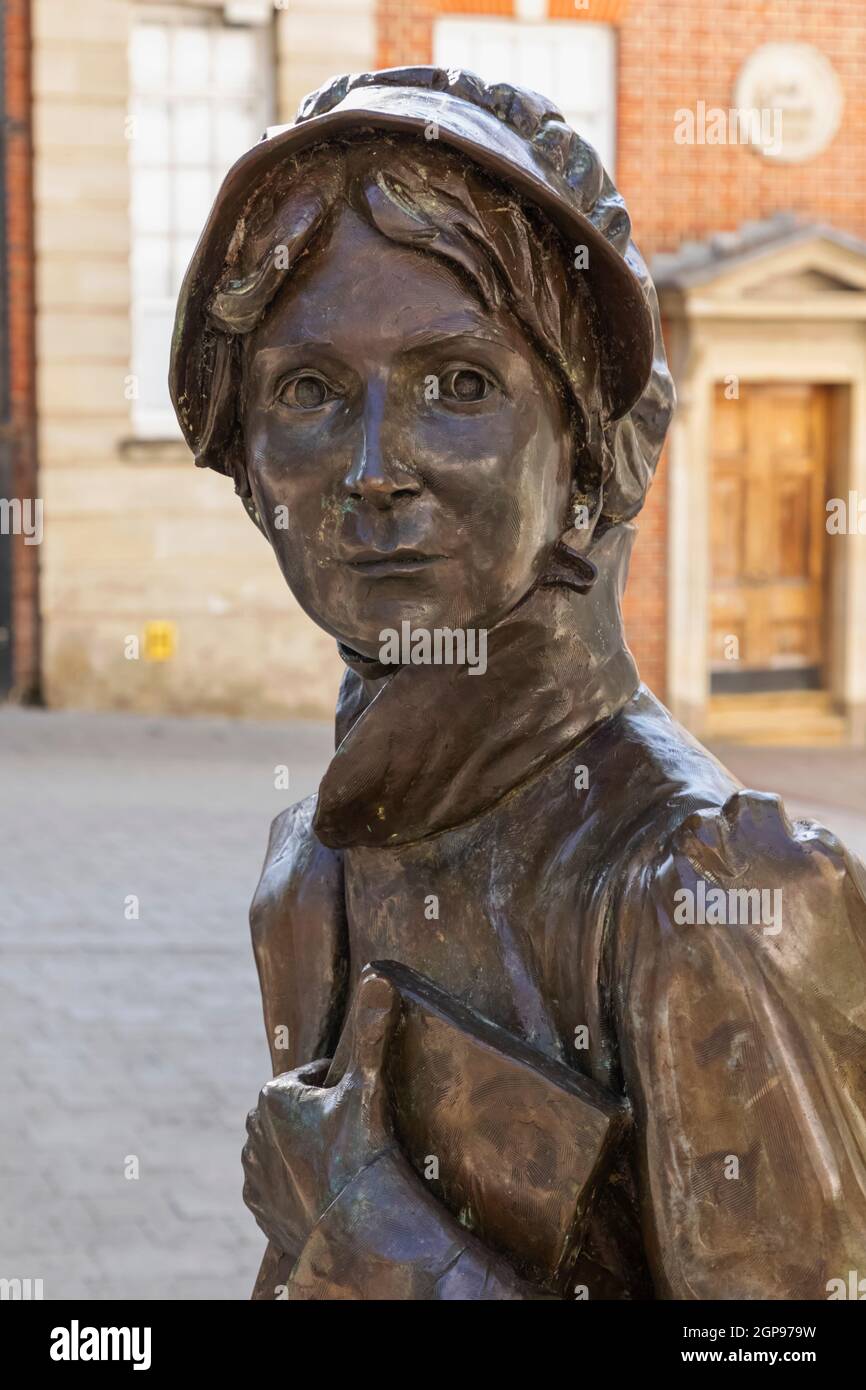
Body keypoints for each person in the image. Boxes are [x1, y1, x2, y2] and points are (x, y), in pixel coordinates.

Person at [169, 67, 866, 1300]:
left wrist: (380, 1246)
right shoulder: (309, 870)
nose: (372, 469)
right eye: (308, 391)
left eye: (458, 384)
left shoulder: (707, 892)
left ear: (589, 451)